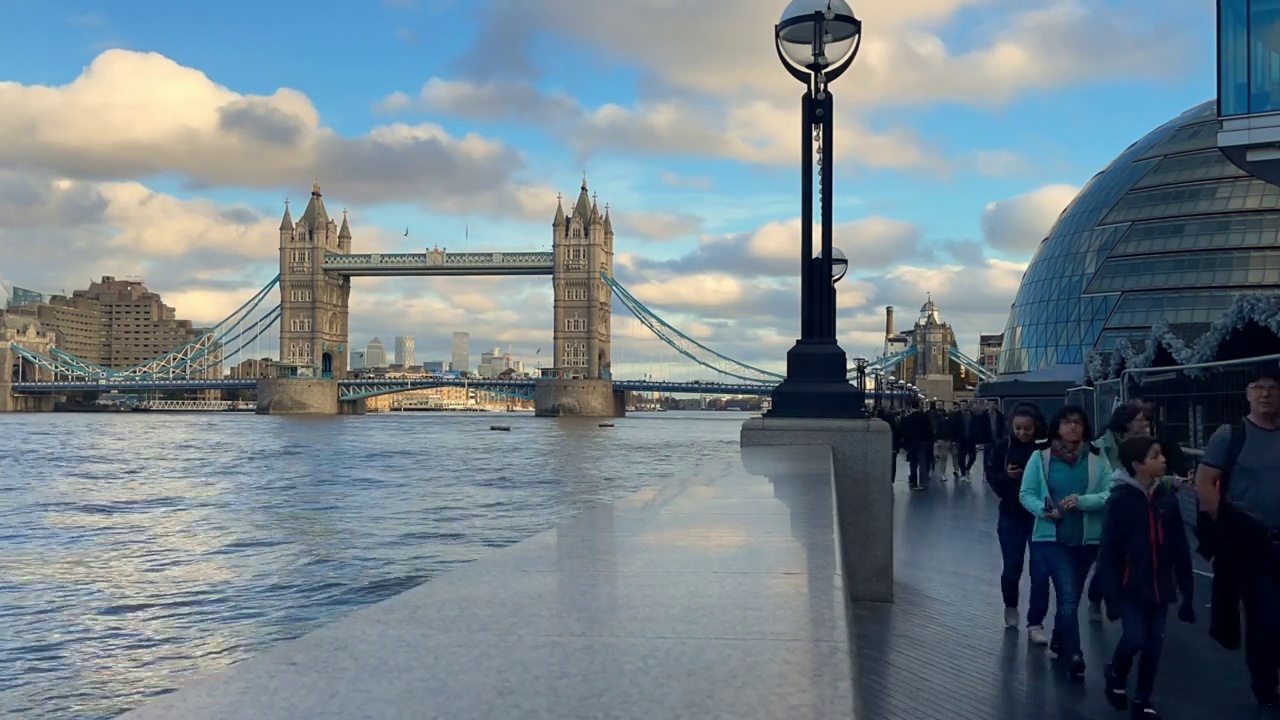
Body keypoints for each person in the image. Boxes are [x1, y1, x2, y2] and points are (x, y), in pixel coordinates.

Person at [1196, 364, 1280, 712]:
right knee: (1265, 616)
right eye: (1258, 387)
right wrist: (1225, 526)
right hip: (1251, 544)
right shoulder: (1231, 435)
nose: (1265, 394)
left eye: (1273, 388)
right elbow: (1205, 482)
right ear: (1247, 394)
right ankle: (1266, 690)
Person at [1098, 435, 1195, 719]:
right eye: (1156, 456)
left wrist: (1186, 590)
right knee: (1135, 637)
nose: (1163, 460)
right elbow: (1109, 552)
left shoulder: (1166, 500)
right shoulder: (1120, 501)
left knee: (1155, 644)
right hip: (1131, 586)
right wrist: (1112, 596)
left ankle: (1143, 698)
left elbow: (1179, 546)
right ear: (1138, 463)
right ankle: (1116, 672)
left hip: (1160, 586)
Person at [1020, 404, 1114, 677]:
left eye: (1077, 422)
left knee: (1070, 594)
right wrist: (1043, 511)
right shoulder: (1042, 457)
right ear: (1057, 427)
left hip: (1087, 540)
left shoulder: (1098, 457)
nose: (1073, 427)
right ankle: (1074, 653)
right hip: (1051, 538)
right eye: (1066, 422)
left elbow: (1111, 491)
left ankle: (1061, 639)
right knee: (1069, 597)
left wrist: (1083, 502)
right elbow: (1026, 493)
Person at [985, 403, 1051, 641]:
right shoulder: (1003, 447)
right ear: (1011, 427)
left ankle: (1036, 623)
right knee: (1012, 567)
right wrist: (1006, 477)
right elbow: (991, 476)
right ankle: (1010, 605)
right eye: (1019, 428)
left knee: (1040, 571)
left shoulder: (1044, 449)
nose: (1023, 433)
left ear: (1036, 428)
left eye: (1028, 429)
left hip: (1039, 518)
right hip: (1012, 514)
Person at [1087, 404, 1152, 621]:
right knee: (1109, 554)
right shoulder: (1102, 445)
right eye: (1140, 420)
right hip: (1113, 502)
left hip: (1138, 501)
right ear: (1127, 423)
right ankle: (1097, 597)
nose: (1145, 424)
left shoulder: (1147, 444)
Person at [899, 399, 935, 492]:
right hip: (923, 443)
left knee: (913, 464)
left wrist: (905, 445)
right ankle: (923, 483)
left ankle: (913, 481)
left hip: (911, 444)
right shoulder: (925, 417)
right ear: (919, 407)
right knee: (923, 463)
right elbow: (930, 431)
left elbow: (904, 432)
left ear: (911, 407)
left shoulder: (908, 419)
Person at [951, 399, 981, 482]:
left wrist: (977, 438)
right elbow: (953, 427)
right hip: (961, 439)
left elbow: (976, 427)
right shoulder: (956, 415)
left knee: (973, 456)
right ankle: (963, 473)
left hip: (971, 439)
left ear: (967, 405)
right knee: (961, 457)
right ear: (960, 406)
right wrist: (954, 439)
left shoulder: (972, 415)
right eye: (962, 405)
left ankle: (967, 468)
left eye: (965, 405)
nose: (963, 406)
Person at [929, 401, 953, 482]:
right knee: (934, 456)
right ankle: (933, 469)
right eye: (937, 405)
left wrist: (950, 438)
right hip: (934, 439)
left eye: (940, 405)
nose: (939, 406)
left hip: (944, 439)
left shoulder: (947, 416)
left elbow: (950, 427)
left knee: (943, 457)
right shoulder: (931, 416)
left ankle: (942, 473)